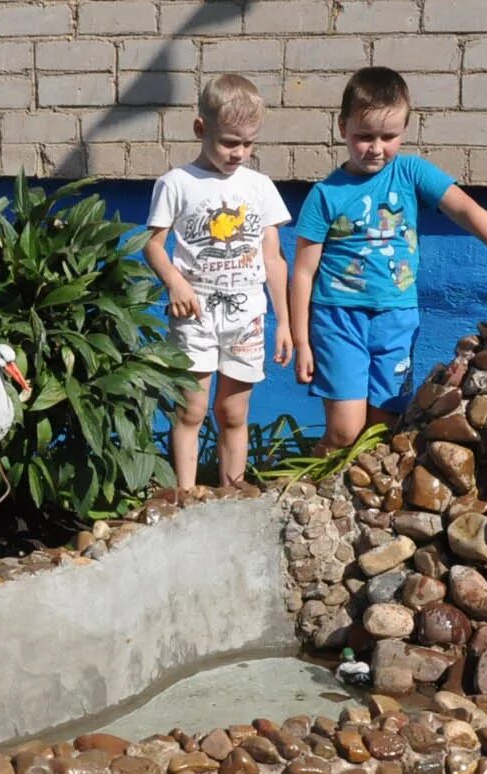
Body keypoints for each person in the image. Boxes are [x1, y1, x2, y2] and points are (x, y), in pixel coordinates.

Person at [291, 66, 487, 451]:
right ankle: (312, 494)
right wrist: (301, 340)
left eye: (389, 136)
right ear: (342, 127)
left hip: (396, 317)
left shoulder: (411, 172)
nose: (377, 148)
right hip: (338, 318)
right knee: (345, 432)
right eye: (364, 136)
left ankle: (361, 503)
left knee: (384, 429)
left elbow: (463, 208)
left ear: (405, 129)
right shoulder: (325, 194)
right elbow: (302, 272)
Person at [144, 73, 292, 490]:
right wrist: (174, 281)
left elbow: (273, 258)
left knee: (233, 413)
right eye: (229, 142)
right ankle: (186, 494)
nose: (238, 153)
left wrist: (283, 322)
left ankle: (231, 490)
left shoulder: (259, 187)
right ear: (200, 128)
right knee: (191, 409)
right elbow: (153, 245)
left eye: (248, 143)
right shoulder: (177, 183)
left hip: (247, 315)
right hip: (195, 314)